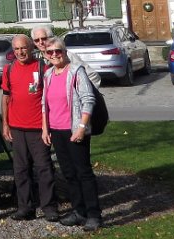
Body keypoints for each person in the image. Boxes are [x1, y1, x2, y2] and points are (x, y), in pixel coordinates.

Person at [41, 38, 103, 231]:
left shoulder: (76, 72)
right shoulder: (49, 74)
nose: (54, 55)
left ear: (64, 52)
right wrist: (45, 128)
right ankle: (79, 211)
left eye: (57, 51)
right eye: (49, 52)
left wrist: (82, 127)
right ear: (45, 55)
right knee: (69, 173)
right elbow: (45, 104)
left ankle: (94, 214)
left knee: (83, 172)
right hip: (56, 130)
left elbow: (88, 99)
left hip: (75, 129)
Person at [0, 35, 60, 222]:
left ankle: (49, 207)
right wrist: (5, 123)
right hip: (17, 128)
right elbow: (6, 98)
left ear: (31, 48)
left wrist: (46, 127)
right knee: (20, 170)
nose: (20, 52)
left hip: (37, 128)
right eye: (16, 49)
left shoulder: (43, 68)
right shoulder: (8, 69)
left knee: (44, 169)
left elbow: (50, 99)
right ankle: (25, 207)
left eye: (23, 48)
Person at [30, 26, 100, 87]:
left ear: (50, 38)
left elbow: (92, 76)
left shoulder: (66, 55)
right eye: (37, 40)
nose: (40, 42)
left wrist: (84, 95)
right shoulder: (37, 59)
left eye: (44, 39)